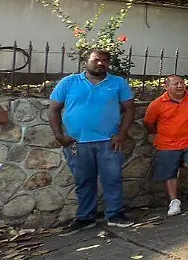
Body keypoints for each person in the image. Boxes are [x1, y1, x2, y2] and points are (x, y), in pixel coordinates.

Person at [48, 49, 135, 229]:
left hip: (108, 142)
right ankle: (85, 218)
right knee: (84, 181)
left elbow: (129, 109)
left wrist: (121, 134)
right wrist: (58, 135)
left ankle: (115, 215)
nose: (100, 63)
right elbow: (53, 109)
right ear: (86, 62)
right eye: (96, 60)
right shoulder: (68, 82)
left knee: (112, 179)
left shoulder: (118, 83)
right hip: (77, 143)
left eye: (104, 60)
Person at [144, 75, 188, 217]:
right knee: (169, 174)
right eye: (175, 84)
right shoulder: (157, 104)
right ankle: (174, 201)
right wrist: (161, 134)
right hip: (167, 145)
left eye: (182, 83)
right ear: (166, 87)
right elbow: (148, 123)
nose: (180, 86)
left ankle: (178, 162)